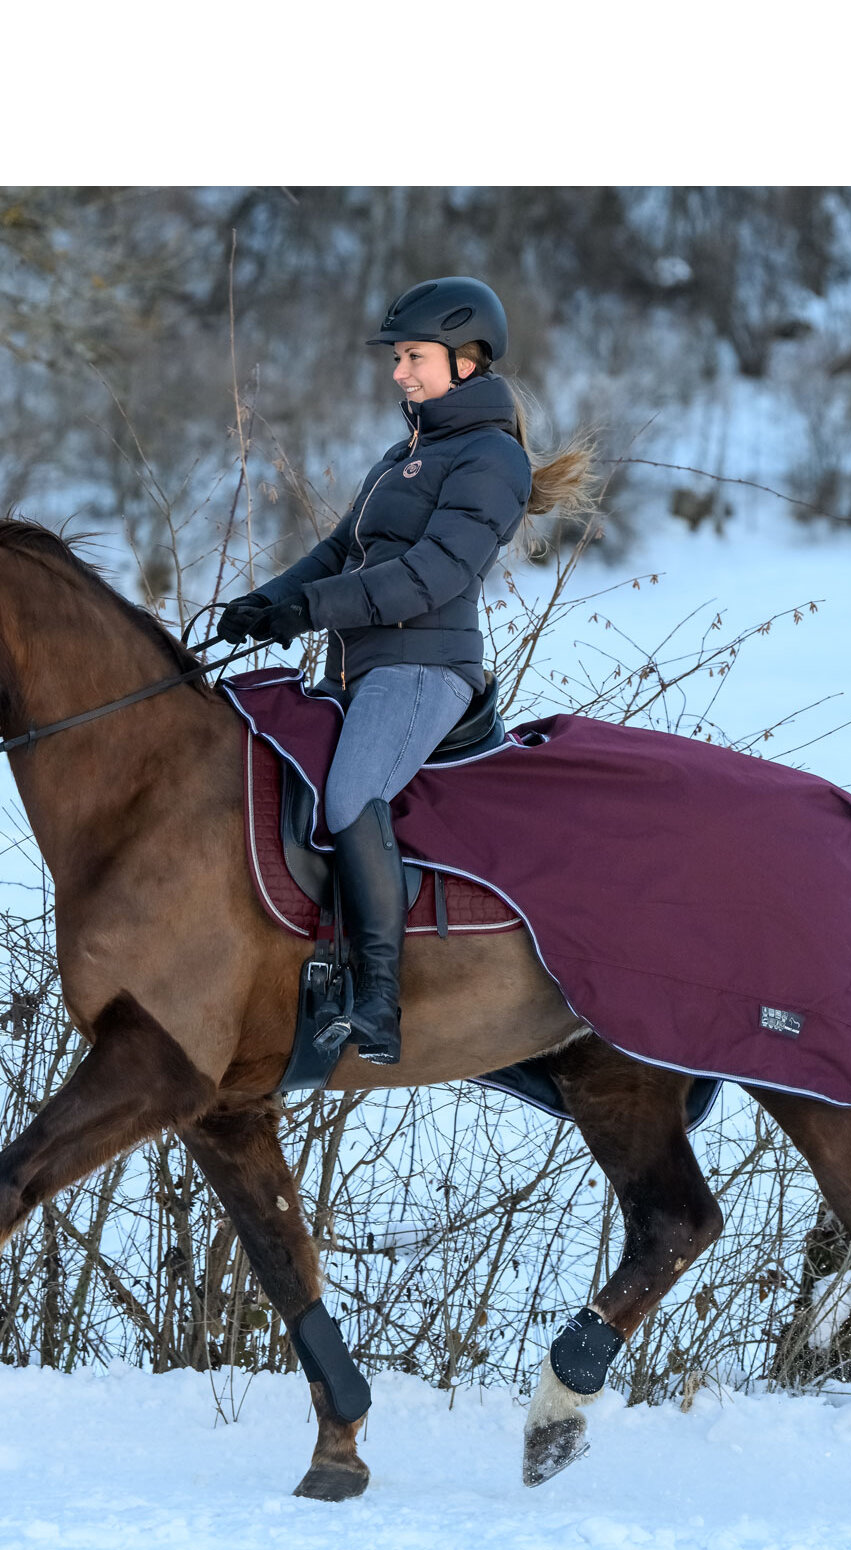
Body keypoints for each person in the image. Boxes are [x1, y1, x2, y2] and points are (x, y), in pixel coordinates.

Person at [217, 277, 593, 1065]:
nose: (399, 373)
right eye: (398, 358)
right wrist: (268, 601)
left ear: (466, 360)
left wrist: (311, 609)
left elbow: (431, 576)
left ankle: (376, 1001)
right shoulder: (406, 455)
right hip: (358, 669)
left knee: (354, 791)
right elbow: (338, 551)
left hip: (424, 671)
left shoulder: (492, 459)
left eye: (413, 357)